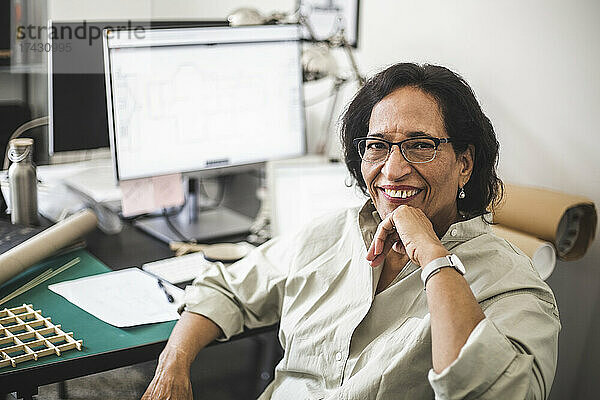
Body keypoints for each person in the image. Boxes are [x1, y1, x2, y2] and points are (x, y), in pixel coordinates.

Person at [142, 63, 560, 399]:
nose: (393, 170)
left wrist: (434, 259)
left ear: (464, 163)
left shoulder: (510, 281)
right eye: (378, 145)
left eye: (420, 145)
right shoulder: (332, 233)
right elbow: (228, 288)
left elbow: (502, 390)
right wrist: (174, 365)